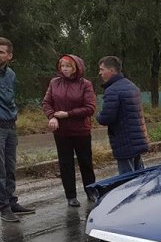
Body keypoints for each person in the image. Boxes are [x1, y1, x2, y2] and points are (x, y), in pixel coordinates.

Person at [42, 55, 97, 207]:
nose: (64, 69)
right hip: (61, 131)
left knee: (85, 162)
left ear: (76, 68)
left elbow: (90, 108)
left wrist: (68, 114)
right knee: (65, 164)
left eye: (68, 66)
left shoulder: (85, 84)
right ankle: (70, 196)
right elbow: (47, 102)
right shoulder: (55, 83)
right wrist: (52, 116)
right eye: (62, 66)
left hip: (81, 130)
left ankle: (91, 191)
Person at [0, 37, 35, 222]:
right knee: (1, 170)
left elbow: (11, 98)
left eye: (1, 52)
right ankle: (3, 207)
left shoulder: (11, 75)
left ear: (9, 56)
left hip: (10, 126)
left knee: (11, 166)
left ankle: (12, 201)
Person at [95, 56, 149, 174]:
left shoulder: (113, 90)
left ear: (112, 71)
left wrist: (98, 115)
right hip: (137, 139)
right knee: (140, 175)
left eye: (102, 69)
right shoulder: (131, 86)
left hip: (124, 141)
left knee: (127, 180)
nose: (100, 73)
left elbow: (106, 117)